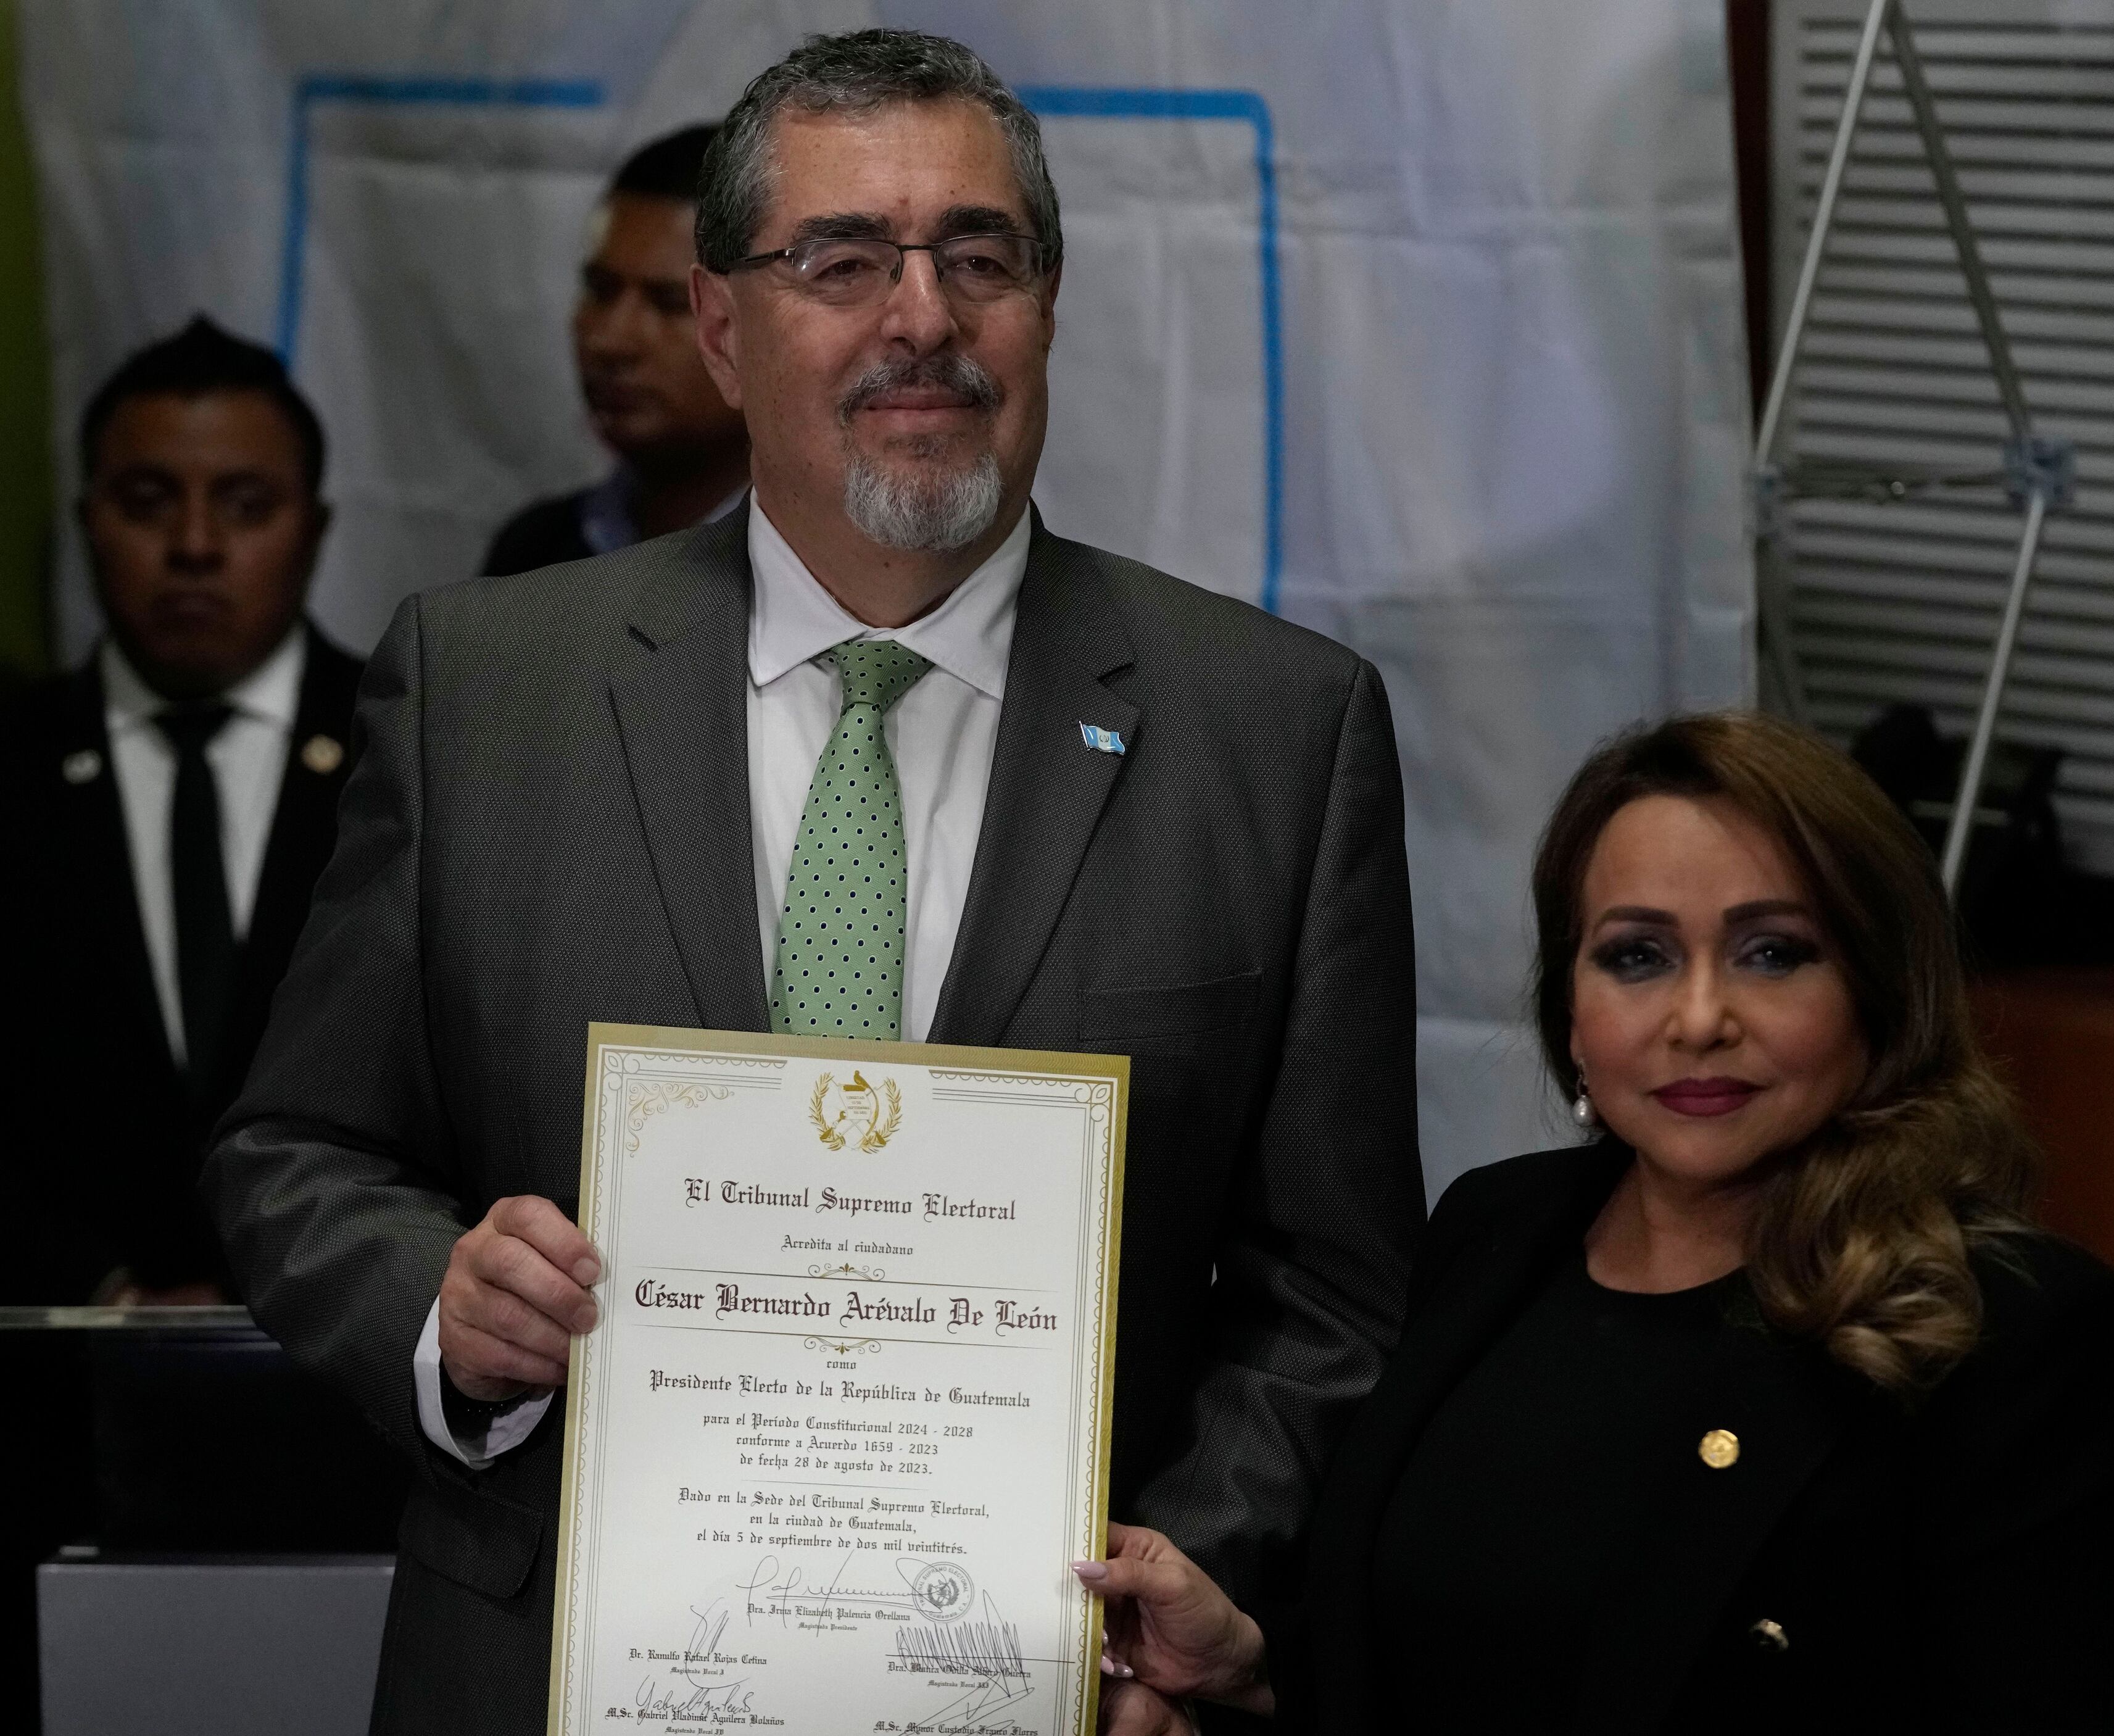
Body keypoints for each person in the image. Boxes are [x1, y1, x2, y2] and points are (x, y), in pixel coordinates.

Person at [206, 28, 1425, 1736]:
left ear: (1048, 307)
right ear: (722, 327)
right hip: (554, 1661)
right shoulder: (487, 692)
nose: (921, 315)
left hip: (1054, 1675)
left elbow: (1334, 1283)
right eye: (842, 260)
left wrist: (1195, 1558)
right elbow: (296, 1148)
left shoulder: (1278, 735)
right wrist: (437, 1305)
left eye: (978, 256)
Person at [1076, 711, 2114, 1734]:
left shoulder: (2019, 1338)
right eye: (1638, 956)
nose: (1700, 1019)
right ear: (1573, 1009)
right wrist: (1253, 1666)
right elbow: (1454, 1653)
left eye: (1773, 951)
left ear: (1881, 993)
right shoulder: (1496, 1231)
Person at [0, 316, 367, 1735]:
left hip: (363, 1450)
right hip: (47, 1449)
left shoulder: (416, 759)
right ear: (87, 523)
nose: (194, 544)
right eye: (149, 502)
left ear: (312, 529)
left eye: (242, 504)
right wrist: (111, 1299)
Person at [479, 123, 748, 575]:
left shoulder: (843, 584)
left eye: (669, 304)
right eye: (600, 291)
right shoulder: (535, 553)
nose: (610, 341)